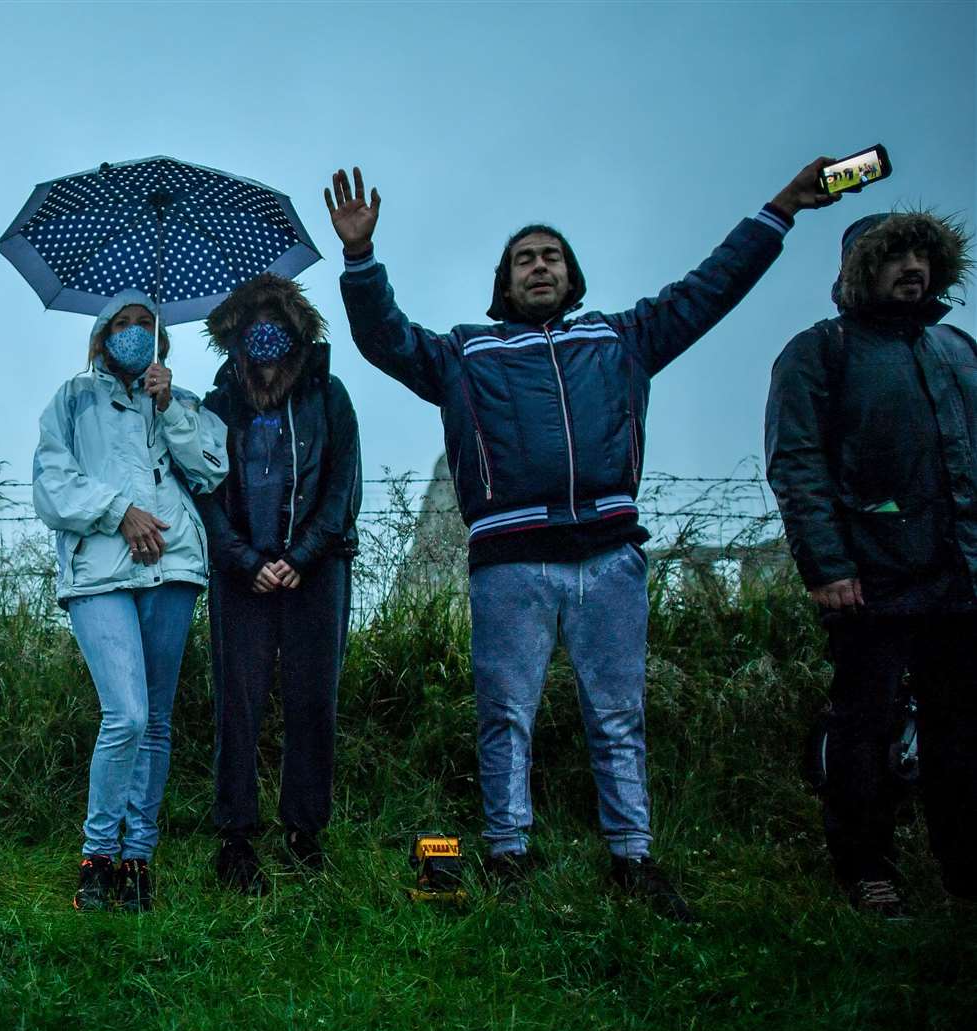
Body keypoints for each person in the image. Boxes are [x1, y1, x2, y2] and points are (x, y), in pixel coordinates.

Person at [326, 160, 838, 920]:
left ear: (572, 275)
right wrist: (361, 260)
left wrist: (782, 208)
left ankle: (634, 859)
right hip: (510, 563)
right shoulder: (467, 353)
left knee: (618, 714)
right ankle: (508, 853)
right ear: (505, 280)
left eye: (552, 256)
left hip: (608, 559)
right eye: (525, 258)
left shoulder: (622, 339)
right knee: (505, 713)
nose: (540, 266)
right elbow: (385, 339)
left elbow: (710, 288)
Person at [765, 210, 977, 918]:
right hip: (871, 577)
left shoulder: (958, 350)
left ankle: (963, 868)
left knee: (961, 727)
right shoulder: (820, 351)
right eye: (894, 257)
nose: (912, 268)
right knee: (865, 725)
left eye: (923, 255)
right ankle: (866, 868)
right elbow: (796, 462)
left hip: (962, 576)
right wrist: (826, 565)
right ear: (860, 269)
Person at [32, 289, 229, 912]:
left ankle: (138, 860)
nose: (136, 332)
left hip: (173, 569)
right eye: (123, 323)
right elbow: (51, 485)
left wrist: (168, 407)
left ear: (162, 338)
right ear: (101, 336)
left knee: (158, 721)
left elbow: (212, 469)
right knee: (128, 716)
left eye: (147, 323)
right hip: (100, 574)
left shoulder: (180, 402)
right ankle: (96, 858)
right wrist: (119, 513)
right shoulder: (72, 400)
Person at [196, 274, 361, 894]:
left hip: (317, 573)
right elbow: (204, 493)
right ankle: (236, 838)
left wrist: (305, 553)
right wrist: (242, 558)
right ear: (233, 337)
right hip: (242, 579)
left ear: (297, 334)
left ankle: (304, 835)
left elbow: (343, 482)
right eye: (252, 323)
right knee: (237, 705)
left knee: (313, 701)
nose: (264, 333)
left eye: (276, 322)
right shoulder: (217, 408)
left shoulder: (328, 397)